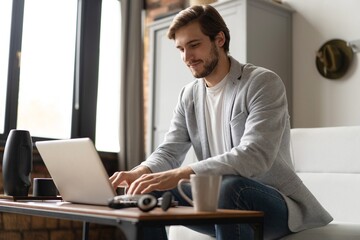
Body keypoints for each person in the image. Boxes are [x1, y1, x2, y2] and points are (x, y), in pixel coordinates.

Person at [110, 4, 332, 240]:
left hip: (272, 203)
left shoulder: (262, 83)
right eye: (181, 49)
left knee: (230, 187)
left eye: (194, 45)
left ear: (219, 39)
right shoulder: (189, 95)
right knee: (147, 189)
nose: (187, 57)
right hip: (218, 197)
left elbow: (255, 155)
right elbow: (169, 150)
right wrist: (141, 172)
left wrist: (181, 174)